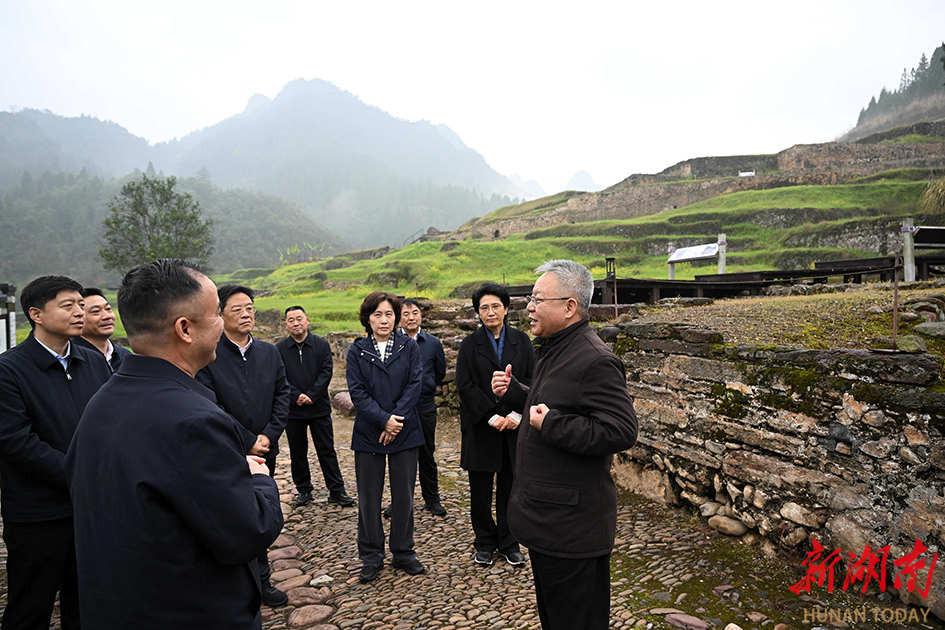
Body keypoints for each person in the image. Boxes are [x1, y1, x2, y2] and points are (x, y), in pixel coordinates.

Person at [65, 259, 284, 629]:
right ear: (184, 329)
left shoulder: (102, 402)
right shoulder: (195, 422)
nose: (222, 324)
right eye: (216, 314)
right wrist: (257, 478)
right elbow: (247, 533)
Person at [491, 260, 638, 630]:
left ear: (570, 306)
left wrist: (551, 424)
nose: (529, 307)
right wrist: (516, 394)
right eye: (531, 299)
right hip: (548, 523)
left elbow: (621, 430)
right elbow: (553, 402)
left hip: (572, 531)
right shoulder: (555, 348)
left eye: (538, 299)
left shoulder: (595, 359)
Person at [0, 276, 110, 630]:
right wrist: (81, 474)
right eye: (68, 306)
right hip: (38, 514)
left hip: (89, 509)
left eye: (81, 305)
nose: (79, 312)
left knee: (87, 605)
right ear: (36, 314)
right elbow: (16, 441)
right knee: (30, 606)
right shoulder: (9, 370)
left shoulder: (92, 361)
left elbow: (108, 424)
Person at [195, 284, 290, 608]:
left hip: (264, 450)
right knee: (232, 515)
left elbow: (282, 395)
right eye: (237, 309)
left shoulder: (269, 352)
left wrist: (268, 436)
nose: (246, 314)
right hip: (228, 449)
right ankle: (240, 581)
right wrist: (247, 441)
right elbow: (210, 404)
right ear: (220, 314)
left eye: (250, 308)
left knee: (259, 512)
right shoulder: (210, 354)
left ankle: (262, 581)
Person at [346, 291, 424, 583]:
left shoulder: (408, 347)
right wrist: (383, 420)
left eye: (389, 314)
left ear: (396, 318)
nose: (384, 320)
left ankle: (403, 552)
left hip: (405, 430)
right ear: (367, 318)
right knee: (369, 497)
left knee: (404, 496)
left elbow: (415, 385)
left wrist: (395, 421)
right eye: (377, 314)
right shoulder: (357, 351)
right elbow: (357, 393)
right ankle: (371, 555)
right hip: (369, 432)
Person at [456, 283, 535, 567]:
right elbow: (465, 386)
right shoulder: (469, 345)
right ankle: (484, 542)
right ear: (478, 312)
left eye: (496, 306)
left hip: (513, 428)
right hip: (481, 426)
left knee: (510, 490)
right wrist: (491, 415)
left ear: (506, 308)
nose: (490, 312)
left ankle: (509, 542)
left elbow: (532, 380)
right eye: (484, 308)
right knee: (480, 492)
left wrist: (516, 415)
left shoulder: (522, 341)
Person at [275, 305, 353, 508]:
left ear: (307, 320)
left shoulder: (321, 345)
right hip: (293, 410)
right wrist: (296, 396)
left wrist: (311, 395)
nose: (296, 323)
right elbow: (280, 376)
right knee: (297, 451)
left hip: (319, 408)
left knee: (326, 449)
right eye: (291, 320)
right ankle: (303, 490)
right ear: (286, 324)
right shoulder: (279, 349)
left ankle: (337, 490)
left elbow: (326, 372)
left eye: (299, 319)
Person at [400, 298, 447, 516]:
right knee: (401, 456)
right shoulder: (392, 342)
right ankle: (401, 501)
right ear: (399, 318)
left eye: (415, 313)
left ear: (421, 315)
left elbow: (440, 372)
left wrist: (426, 387)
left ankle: (432, 499)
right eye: (406, 313)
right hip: (400, 408)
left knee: (427, 454)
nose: (411, 317)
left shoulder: (433, 343)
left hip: (425, 406)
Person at [74, 287, 132, 372]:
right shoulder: (71, 358)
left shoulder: (125, 356)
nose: (107, 316)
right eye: (96, 311)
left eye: (108, 309)